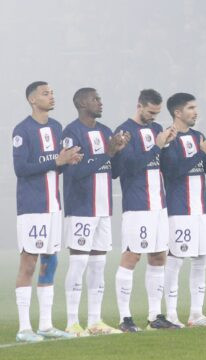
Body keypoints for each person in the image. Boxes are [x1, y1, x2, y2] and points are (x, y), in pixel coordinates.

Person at [13, 81, 80, 342]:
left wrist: (67, 162)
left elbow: (56, 166)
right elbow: (22, 168)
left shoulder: (56, 128)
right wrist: (56, 160)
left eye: (52, 92)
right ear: (32, 100)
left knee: (50, 262)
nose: (51, 97)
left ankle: (45, 324)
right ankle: (23, 328)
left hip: (54, 206)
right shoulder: (22, 130)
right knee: (28, 263)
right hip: (32, 207)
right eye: (45, 93)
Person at [62, 88, 129, 336]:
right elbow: (75, 172)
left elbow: (114, 172)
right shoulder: (72, 133)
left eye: (100, 98)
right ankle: (71, 322)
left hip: (103, 207)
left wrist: (119, 151)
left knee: (99, 265)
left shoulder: (105, 131)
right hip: (81, 206)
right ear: (81, 102)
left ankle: (94, 321)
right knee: (78, 263)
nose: (100, 102)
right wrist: (108, 152)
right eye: (95, 99)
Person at [112, 89, 180, 332]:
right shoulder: (124, 131)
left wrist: (168, 144)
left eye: (157, 113)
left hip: (158, 204)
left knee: (159, 256)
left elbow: (161, 163)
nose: (153, 117)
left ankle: (154, 317)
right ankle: (125, 318)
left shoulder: (155, 129)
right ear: (139, 105)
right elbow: (128, 167)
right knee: (132, 256)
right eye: (150, 112)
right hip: (137, 204)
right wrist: (157, 146)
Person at [161, 92, 206, 327]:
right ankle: (170, 314)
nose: (195, 112)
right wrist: (203, 150)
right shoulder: (169, 138)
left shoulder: (197, 136)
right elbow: (174, 171)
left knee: (201, 260)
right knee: (175, 260)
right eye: (190, 108)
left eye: (196, 107)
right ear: (177, 112)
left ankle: (196, 314)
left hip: (201, 209)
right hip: (179, 210)